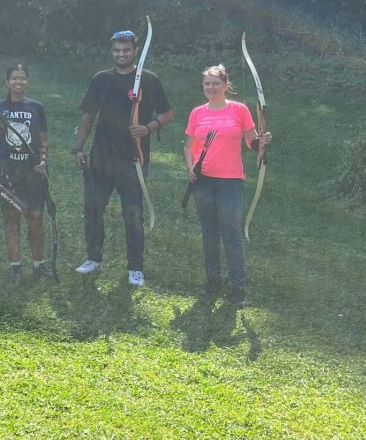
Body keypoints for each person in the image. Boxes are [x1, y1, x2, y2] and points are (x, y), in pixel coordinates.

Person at [72, 29, 173, 287]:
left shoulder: (148, 80)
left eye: (126, 50)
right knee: (93, 209)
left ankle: (135, 268)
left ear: (135, 51)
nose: (121, 54)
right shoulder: (101, 79)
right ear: (112, 52)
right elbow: (87, 116)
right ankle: (93, 258)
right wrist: (78, 148)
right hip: (101, 157)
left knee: (132, 214)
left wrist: (148, 128)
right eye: (117, 50)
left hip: (133, 159)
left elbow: (167, 113)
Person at [184, 65, 272, 308]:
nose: (210, 88)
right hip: (203, 180)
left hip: (230, 180)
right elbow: (189, 146)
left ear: (225, 85)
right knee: (209, 233)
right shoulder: (197, 113)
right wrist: (190, 167)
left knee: (231, 233)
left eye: (215, 84)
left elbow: (252, 143)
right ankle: (213, 280)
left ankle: (238, 286)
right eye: (207, 84)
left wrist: (263, 142)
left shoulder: (239, 110)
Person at [0, 64, 54, 284]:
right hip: (5, 172)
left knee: (36, 217)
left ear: (27, 81)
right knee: (11, 218)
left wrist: (43, 160)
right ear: (7, 81)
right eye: (14, 78)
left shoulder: (36, 107)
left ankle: (39, 265)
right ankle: (15, 267)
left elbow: (43, 141)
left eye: (22, 78)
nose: (18, 82)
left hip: (32, 173)